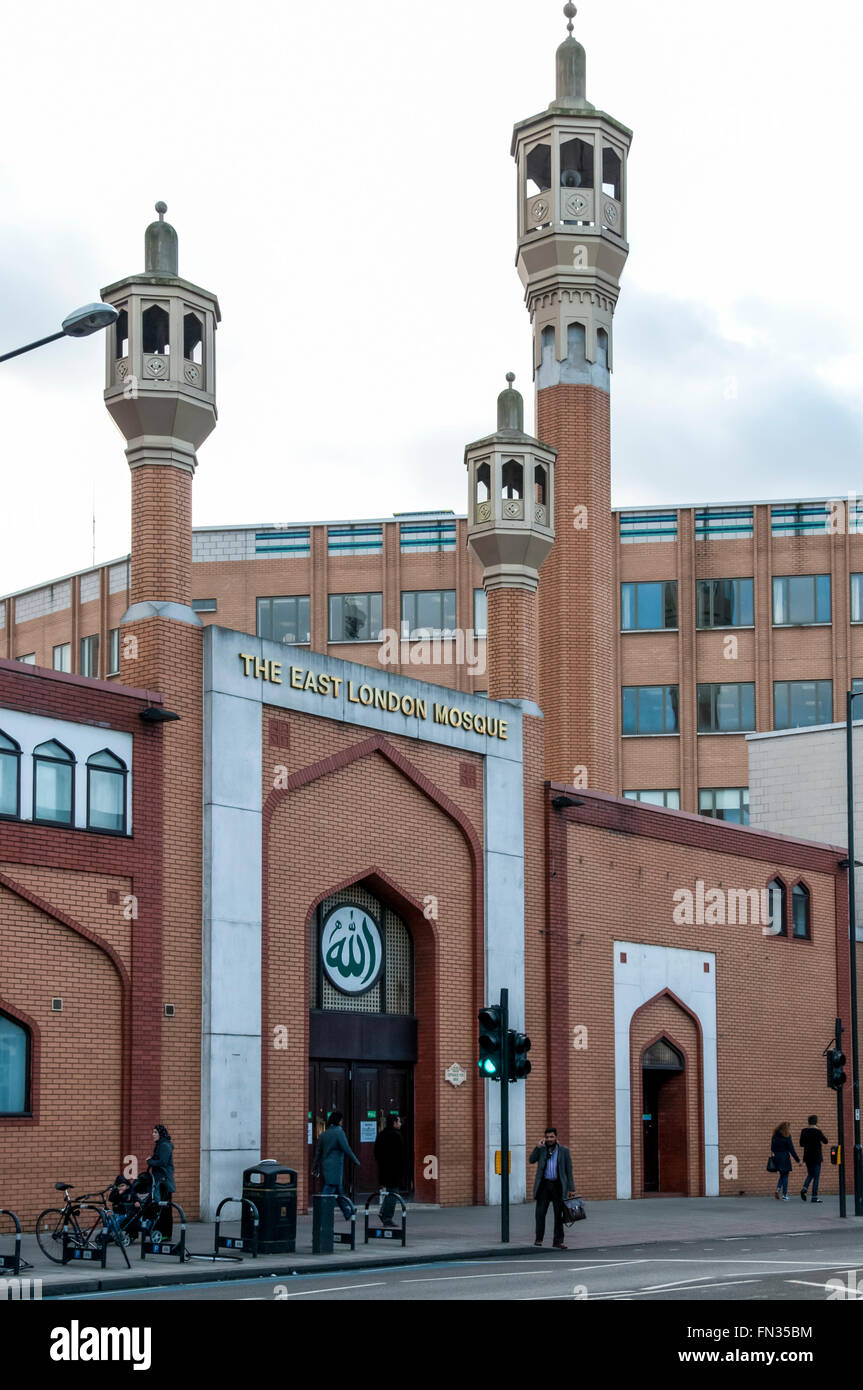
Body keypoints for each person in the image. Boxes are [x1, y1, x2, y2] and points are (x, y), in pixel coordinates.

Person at [529, 1127, 575, 1249]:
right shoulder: (541, 1149)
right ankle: (538, 1239)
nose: (549, 1139)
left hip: (558, 1186)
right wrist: (537, 1147)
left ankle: (558, 1241)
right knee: (540, 1213)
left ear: (556, 1137)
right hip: (544, 1185)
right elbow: (531, 1160)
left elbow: (569, 1170)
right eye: (547, 1137)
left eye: (551, 1137)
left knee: (558, 1214)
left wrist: (571, 1188)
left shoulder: (564, 1151)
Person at [312, 1111, 359, 1220]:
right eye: (341, 1120)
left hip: (326, 1165)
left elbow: (318, 1153)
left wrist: (315, 1166)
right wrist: (355, 1160)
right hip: (336, 1166)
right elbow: (346, 1148)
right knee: (329, 1189)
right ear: (338, 1121)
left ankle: (347, 1211)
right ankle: (321, 1212)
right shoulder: (339, 1132)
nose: (342, 1122)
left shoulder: (324, 1134)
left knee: (339, 1190)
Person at [145, 1124, 175, 1238]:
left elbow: (163, 1162)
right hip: (160, 1180)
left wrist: (150, 1161)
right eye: (153, 1132)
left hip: (164, 1182)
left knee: (165, 1208)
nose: (153, 1134)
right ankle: (160, 1231)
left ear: (161, 1134)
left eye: (155, 1132)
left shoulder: (164, 1145)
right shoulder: (160, 1145)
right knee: (160, 1207)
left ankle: (165, 1234)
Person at [374, 1115, 404, 1226]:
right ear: (394, 1123)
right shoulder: (396, 1135)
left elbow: (376, 1152)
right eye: (399, 1121)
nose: (400, 1124)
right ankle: (387, 1217)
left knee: (390, 1191)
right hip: (394, 1170)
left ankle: (383, 1212)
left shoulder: (381, 1134)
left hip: (384, 1169)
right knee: (393, 1193)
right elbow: (400, 1155)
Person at [799, 1114, 828, 1203]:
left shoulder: (804, 1131)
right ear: (816, 1122)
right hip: (816, 1157)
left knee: (810, 1174)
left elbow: (801, 1144)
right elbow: (825, 1141)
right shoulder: (818, 1132)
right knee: (816, 1177)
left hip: (807, 1157)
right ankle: (814, 1197)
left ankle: (804, 1189)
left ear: (808, 1122)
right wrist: (819, 1131)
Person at [770, 1121, 800, 1200]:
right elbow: (791, 1149)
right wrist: (797, 1160)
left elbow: (772, 1148)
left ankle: (778, 1189)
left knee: (782, 1175)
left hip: (777, 1157)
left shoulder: (775, 1136)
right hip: (785, 1158)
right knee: (785, 1176)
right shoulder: (787, 1136)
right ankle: (784, 1195)